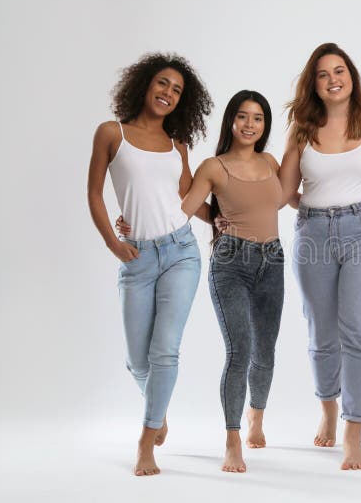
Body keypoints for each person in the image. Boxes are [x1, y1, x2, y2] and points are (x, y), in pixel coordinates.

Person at [118, 90, 284, 474]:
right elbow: (182, 206)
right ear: (230, 121)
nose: (249, 124)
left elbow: (285, 198)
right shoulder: (213, 166)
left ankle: (256, 415)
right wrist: (133, 222)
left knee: (267, 352)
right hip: (231, 264)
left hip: (272, 260)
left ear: (265, 125)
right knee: (239, 352)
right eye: (242, 116)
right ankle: (232, 438)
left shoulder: (272, 162)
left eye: (258, 118)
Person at [87, 53, 213, 476]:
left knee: (165, 352)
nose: (168, 94)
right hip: (137, 257)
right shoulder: (111, 133)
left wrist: (222, 219)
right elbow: (94, 195)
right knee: (136, 362)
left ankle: (146, 442)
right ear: (144, 84)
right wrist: (113, 242)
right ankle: (158, 413)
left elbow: (187, 200)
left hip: (180, 253)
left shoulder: (178, 147)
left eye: (177, 90)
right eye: (163, 84)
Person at [278, 42, 361, 470]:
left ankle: (353, 429)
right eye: (323, 74)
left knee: (358, 329)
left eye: (340, 71)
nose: (333, 80)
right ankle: (328, 407)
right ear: (314, 84)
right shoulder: (301, 129)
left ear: (352, 76)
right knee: (321, 332)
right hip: (313, 231)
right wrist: (223, 209)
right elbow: (281, 191)